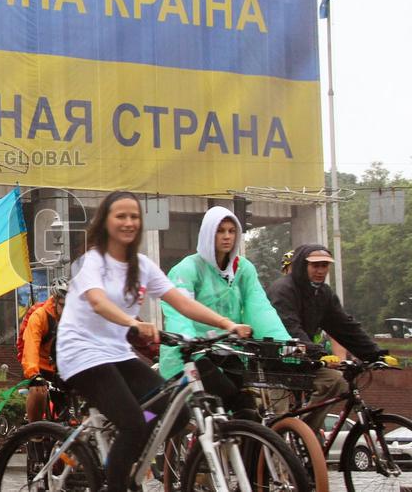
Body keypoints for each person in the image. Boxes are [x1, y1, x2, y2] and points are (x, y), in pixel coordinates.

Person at [55, 191, 252, 492]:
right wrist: (133, 322)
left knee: (176, 412)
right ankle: (118, 480)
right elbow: (97, 302)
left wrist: (227, 324)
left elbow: (182, 302)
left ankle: (124, 457)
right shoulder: (91, 262)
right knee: (133, 422)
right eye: (121, 216)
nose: (129, 222)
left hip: (117, 353)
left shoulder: (143, 265)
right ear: (105, 222)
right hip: (82, 353)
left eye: (134, 216)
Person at [159, 206, 291, 418]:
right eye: (220, 231)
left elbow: (259, 307)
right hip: (194, 353)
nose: (227, 236)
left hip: (231, 351)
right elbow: (179, 310)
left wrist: (283, 344)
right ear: (208, 233)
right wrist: (188, 342)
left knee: (249, 412)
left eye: (231, 231)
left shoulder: (243, 268)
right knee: (177, 413)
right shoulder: (188, 268)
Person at [267, 244, 399, 431]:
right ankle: (282, 443)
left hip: (303, 358)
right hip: (276, 360)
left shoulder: (323, 293)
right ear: (302, 266)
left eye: (325, 265)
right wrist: (318, 354)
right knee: (277, 418)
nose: (321, 271)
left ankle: (306, 433)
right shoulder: (283, 289)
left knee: (337, 382)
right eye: (315, 266)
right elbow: (289, 326)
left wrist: (375, 354)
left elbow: (344, 326)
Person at [21, 278, 67, 423]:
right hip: (39, 365)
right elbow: (31, 345)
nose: (66, 310)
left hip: (61, 366)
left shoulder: (75, 317)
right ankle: (35, 431)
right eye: (63, 305)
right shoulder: (40, 316)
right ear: (55, 300)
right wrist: (34, 373)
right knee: (38, 390)